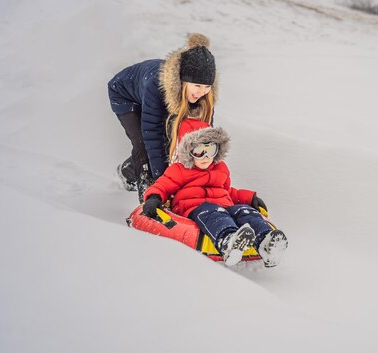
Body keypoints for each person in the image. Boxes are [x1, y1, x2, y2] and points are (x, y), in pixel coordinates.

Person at [141, 119, 288, 267]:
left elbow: (227, 191)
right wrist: (154, 198)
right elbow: (163, 185)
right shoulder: (179, 170)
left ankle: (266, 243)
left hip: (224, 205)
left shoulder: (220, 168)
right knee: (214, 213)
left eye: (210, 150)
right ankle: (228, 242)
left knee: (244, 211)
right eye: (199, 152)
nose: (206, 157)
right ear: (188, 152)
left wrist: (250, 198)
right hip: (196, 207)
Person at [107, 33, 218, 201]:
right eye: (197, 86)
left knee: (170, 140)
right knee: (143, 144)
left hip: (158, 96)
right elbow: (152, 134)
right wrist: (161, 183)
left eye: (207, 86)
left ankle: (127, 171)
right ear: (184, 81)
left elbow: (202, 136)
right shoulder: (157, 86)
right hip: (125, 95)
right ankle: (146, 189)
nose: (201, 92)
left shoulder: (203, 96)